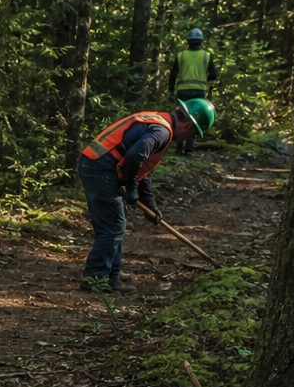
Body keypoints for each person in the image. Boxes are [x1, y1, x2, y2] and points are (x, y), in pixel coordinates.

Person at [78, 98, 216, 294]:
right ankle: (96, 277)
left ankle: (111, 273)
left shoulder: (160, 123)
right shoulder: (162, 130)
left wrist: (150, 205)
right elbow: (135, 156)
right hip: (99, 168)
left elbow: (144, 170)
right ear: (186, 124)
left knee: (116, 223)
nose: (188, 138)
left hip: (99, 166)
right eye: (192, 133)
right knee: (113, 226)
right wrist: (132, 187)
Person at [167, 28, 219, 154]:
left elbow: (173, 75)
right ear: (201, 41)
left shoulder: (181, 56)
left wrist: (171, 91)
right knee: (195, 119)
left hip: (183, 92)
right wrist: (205, 78)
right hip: (199, 92)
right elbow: (215, 74)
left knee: (181, 117)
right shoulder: (206, 56)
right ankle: (190, 148)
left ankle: (179, 147)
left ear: (188, 41)